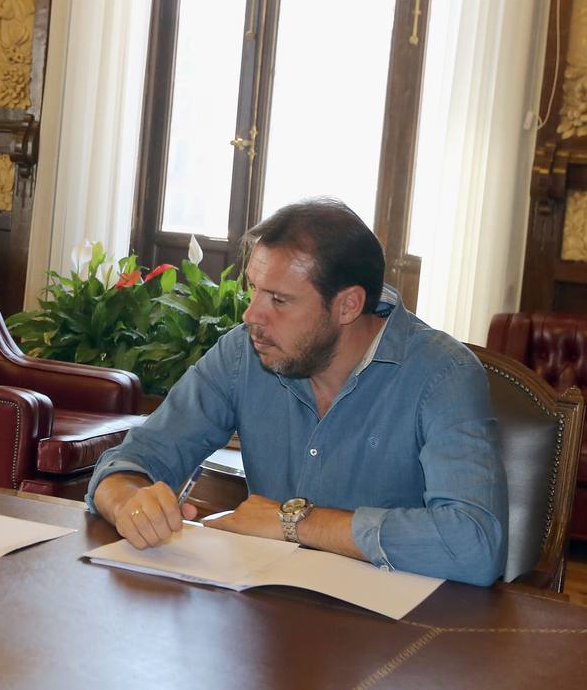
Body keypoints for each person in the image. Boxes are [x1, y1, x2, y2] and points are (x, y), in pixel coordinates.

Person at [86, 198, 507, 586]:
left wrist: (294, 522)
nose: (251, 315)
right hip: (267, 611)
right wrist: (127, 500)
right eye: (253, 288)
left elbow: (474, 545)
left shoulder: (443, 374)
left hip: (392, 628)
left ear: (347, 305)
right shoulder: (243, 353)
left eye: (279, 300)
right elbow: (134, 459)